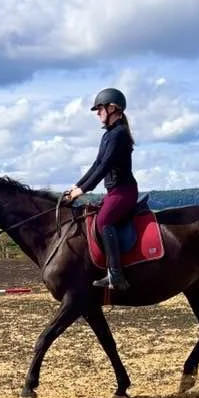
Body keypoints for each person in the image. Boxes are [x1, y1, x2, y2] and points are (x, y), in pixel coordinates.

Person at [64, 88, 137, 291]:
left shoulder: (119, 134)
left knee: (104, 221)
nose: (97, 113)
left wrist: (83, 190)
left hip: (124, 192)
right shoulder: (109, 135)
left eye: (100, 109)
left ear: (112, 108)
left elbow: (105, 166)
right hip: (114, 192)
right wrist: (77, 186)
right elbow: (97, 164)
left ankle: (116, 275)